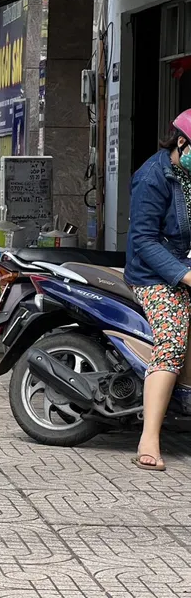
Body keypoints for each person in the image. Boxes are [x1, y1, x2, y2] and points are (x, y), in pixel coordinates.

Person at [124, 108, 191, 472]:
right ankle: (149, 437)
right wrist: (184, 276)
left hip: (184, 264)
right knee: (173, 340)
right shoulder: (153, 176)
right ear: (182, 142)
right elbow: (144, 240)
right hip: (153, 274)